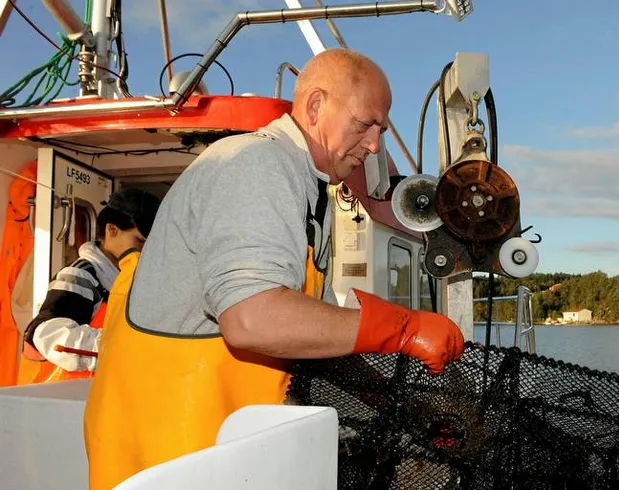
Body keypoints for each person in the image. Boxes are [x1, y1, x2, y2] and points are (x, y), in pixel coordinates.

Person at [83, 48, 465, 489]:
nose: (375, 144)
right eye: (364, 125)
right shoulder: (255, 163)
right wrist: (403, 329)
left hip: (218, 454)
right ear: (316, 106)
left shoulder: (306, 191)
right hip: (169, 461)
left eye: (381, 129)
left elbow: (309, 333)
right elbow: (251, 318)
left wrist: (407, 410)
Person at [18, 188, 160, 384]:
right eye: (139, 240)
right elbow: (47, 332)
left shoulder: (132, 279)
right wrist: (121, 348)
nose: (144, 250)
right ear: (112, 230)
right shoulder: (81, 274)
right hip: (63, 401)